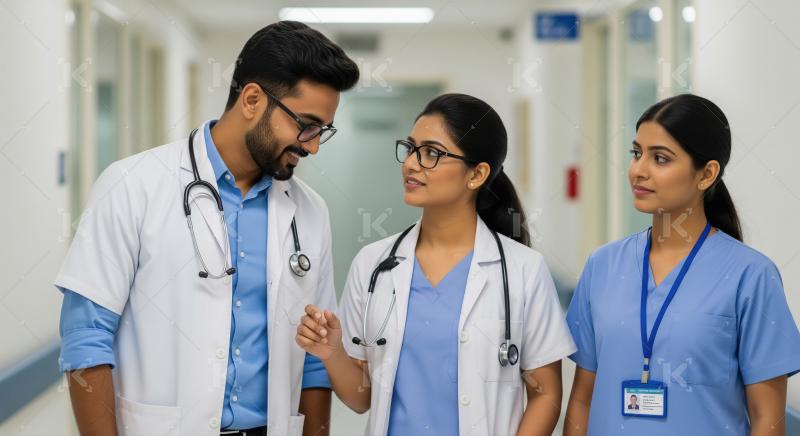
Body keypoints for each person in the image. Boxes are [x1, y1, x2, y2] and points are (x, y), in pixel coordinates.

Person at [55, 21, 359, 436]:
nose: (312, 145)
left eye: (322, 130)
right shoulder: (133, 184)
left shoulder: (309, 211)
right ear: (252, 99)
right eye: (306, 125)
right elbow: (85, 339)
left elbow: (314, 359)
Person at [296, 93, 576, 436]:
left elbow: (545, 394)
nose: (411, 163)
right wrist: (331, 352)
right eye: (411, 148)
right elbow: (361, 399)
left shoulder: (523, 270)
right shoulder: (374, 264)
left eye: (431, 153)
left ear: (476, 174)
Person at [563, 94, 800, 436]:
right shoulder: (603, 266)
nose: (638, 170)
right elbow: (582, 400)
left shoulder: (751, 276)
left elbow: (768, 418)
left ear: (706, 174)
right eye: (636, 153)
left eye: (660, 158)